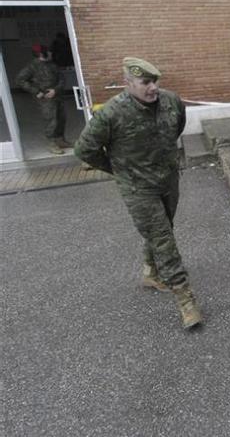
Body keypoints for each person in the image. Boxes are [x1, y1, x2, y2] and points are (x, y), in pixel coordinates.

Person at [74, 57, 203, 329]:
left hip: (167, 180)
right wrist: (118, 170)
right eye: (145, 82)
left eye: (155, 81)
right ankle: (186, 300)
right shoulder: (111, 114)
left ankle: (150, 272)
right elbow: (84, 151)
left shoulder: (171, 101)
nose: (153, 87)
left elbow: (177, 126)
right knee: (163, 238)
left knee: (163, 228)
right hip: (138, 189)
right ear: (128, 84)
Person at [16, 44, 67, 154]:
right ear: (41, 53)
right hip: (45, 99)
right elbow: (20, 80)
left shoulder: (52, 65)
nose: (50, 53)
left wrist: (55, 90)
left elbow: (62, 78)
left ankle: (60, 140)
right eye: (48, 51)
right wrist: (36, 91)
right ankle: (52, 143)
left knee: (61, 118)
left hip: (57, 96)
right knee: (51, 120)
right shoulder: (32, 67)